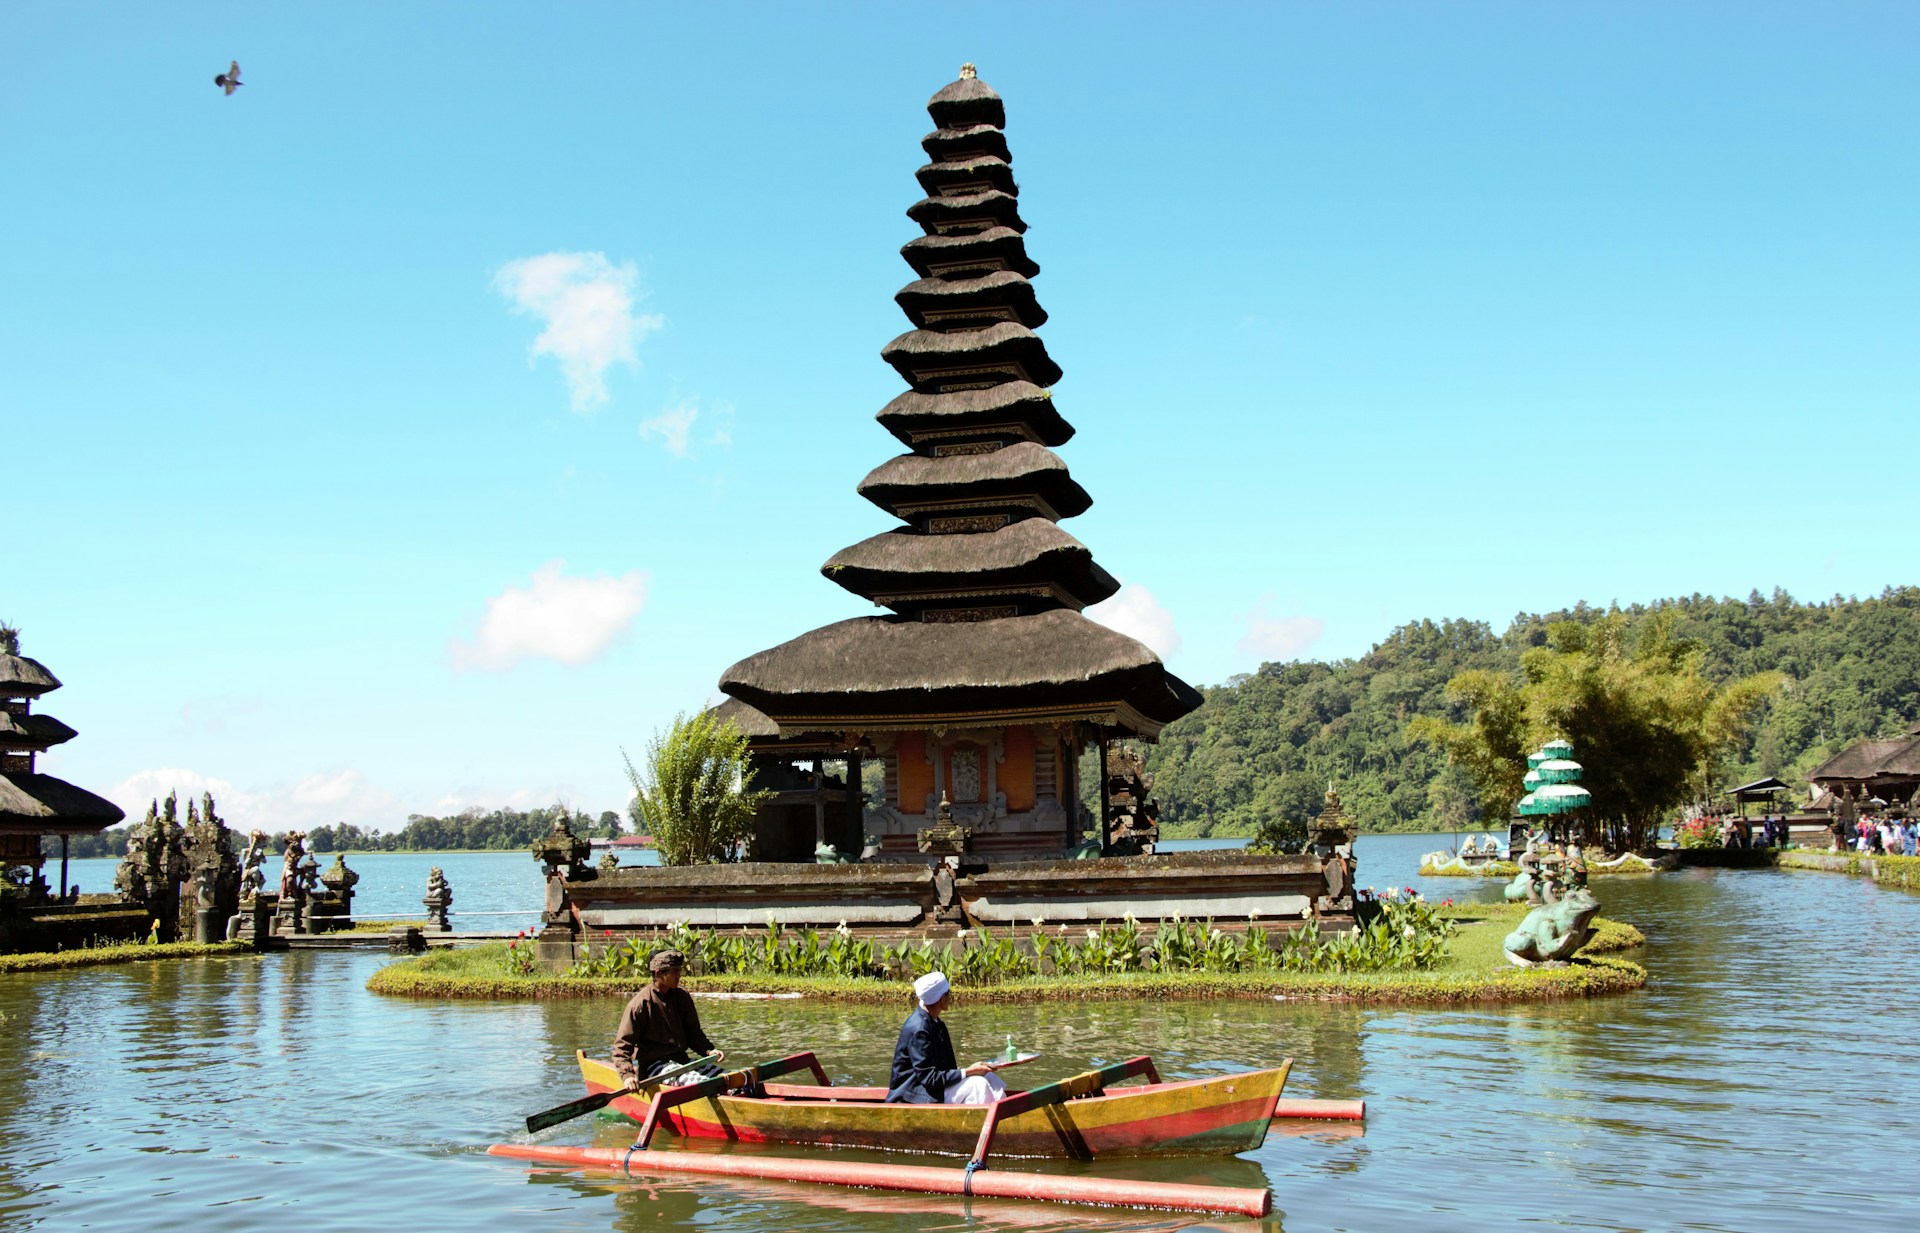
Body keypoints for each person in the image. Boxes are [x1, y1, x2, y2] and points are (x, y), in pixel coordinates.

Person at [612, 949, 728, 1091]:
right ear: (658, 973)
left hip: (682, 1060)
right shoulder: (640, 1004)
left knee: (729, 1078)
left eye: (679, 971)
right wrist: (628, 1075)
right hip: (653, 1067)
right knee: (702, 1083)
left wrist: (709, 1051)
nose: (679, 975)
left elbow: (694, 1034)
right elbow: (622, 1047)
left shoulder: (682, 997)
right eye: (674, 972)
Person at [886, 971, 1006, 1105]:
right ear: (941, 999)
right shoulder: (919, 1030)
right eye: (948, 994)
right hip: (913, 1095)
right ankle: (983, 1122)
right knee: (978, 1085)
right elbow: (929, 1079)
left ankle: (1007, 1117)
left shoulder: (936, 1023)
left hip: (935, 1087)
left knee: (989, 1077)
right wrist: (967, 1072)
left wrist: (972, 1071)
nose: (951, 998)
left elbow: (947, 1068)